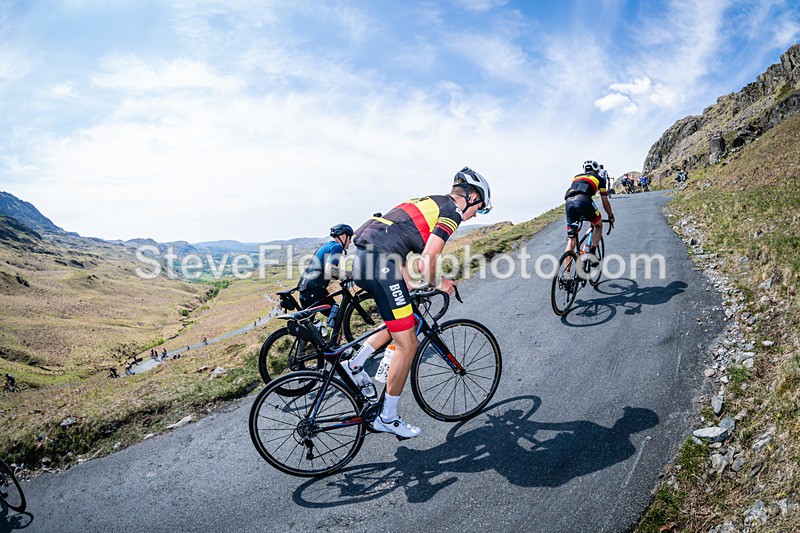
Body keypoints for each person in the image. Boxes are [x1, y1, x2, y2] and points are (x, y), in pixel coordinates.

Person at [345, 166, 493, 438]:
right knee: (408, 344)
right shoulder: (452, 211)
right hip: (381, 264)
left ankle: (355, 364)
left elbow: (392, 241)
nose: (475, 216)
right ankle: (387, 417)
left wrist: (409, 283)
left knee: (405, 318)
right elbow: (427, 260)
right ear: (471, 197)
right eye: (480, 209)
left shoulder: (429, 202)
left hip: (365, 260)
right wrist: (441, 283)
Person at [563, 160, 615, 263]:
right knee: (598, 226)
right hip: (584, 201)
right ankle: (591, 253)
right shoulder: (600, 179)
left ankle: (566, 276)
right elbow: (605, 202)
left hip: (568, 202)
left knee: (571, 241)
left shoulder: (576, 177)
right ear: (596, 169)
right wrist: (610, 216)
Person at [297, 224, 354, 311]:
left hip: (304, 291)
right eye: (350, 237)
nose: (350, 241)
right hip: (315, 291)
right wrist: (350, 274)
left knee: (309, 323)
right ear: (343, 236)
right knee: (338, 318)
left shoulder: (325, 246)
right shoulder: (337, 247)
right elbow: (330, 269)